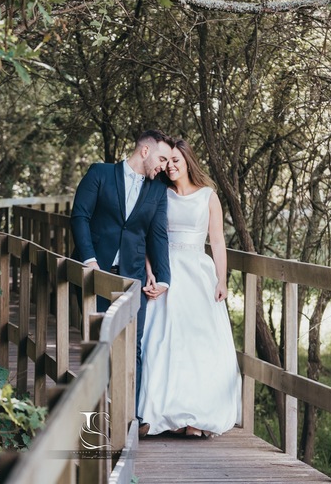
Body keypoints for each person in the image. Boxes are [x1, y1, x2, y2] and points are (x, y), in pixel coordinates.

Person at [70, 130, 174, 434]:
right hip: (96, 273)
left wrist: (164, 278)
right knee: (99, 344)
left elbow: (158, 235)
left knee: (133, 345)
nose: (165, 166)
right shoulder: (100, 173)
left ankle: (130, 418)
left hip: (133, 279)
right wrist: (88, 260)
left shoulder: (157, 191)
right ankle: (95, 425)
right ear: (144, 151)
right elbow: (80, 216)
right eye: (162, 158)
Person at [138, 138, 242, 438]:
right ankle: (165, 413)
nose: (170, 166)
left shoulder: (208, 196)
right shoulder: (160, 193)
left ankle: (197, 417)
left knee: (200, 344)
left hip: (197, 273)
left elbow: (218, 240)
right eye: (167, 161)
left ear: (187, 162)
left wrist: (222, 279)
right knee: (163, 342)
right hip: (167, 271)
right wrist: (150, 273)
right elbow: (149, 236)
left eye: (176, 161)